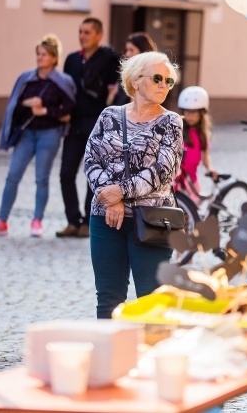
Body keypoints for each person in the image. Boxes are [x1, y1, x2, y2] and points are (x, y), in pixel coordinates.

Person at [83, 51, 182, 319]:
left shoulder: (171, 122)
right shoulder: (109, 116)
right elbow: (91, 160)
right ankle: (111, 358)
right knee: (108, 299)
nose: (164, 85)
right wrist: (110, 199)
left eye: (169, 81)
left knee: (151, 298)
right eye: (158, 78)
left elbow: (164, 170)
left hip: (152, 220)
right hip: (105, 218)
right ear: (136, 81)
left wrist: (120, 192)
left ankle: (149, 357)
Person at [0, 35, 76, 237]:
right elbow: (14, 105)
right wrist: (27, 103)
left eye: (44, 54)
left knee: (41, 179)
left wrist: (45, 111)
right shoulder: (26, 79)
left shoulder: (63, 82)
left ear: (54, 58)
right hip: (27, 134)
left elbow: (69, 109)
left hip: (49, 135)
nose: (40, 57)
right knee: (12, 176)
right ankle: (1, 221)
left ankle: (37, 221)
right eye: (38, 54)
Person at [57, 18, 121, 238]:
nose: (82, 36)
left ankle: (87, 221)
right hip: (75, 124)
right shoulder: (72, 60)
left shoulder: (109, 60)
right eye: (80, 31)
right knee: (66, 173)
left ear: (98, 35)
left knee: (92, 175)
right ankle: (72, 220)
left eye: (87, 32)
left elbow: (114, 93)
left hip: (97, 124)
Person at [174, 86, 218, 201]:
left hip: (192, 181)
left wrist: (210, 169)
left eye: (194, 113)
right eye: (187, 112)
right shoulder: (178, 131)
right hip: (177, 181)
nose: (190, 116)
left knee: (192, 211)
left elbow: (205, 156)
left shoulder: (201, 135)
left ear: (201, 113)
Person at [110, 32, 158, 106]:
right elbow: (111, 99)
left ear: (143, 51)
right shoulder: (125, 74)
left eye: (131, 50)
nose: (127, 54)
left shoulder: (151, 74)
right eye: (127, 50)